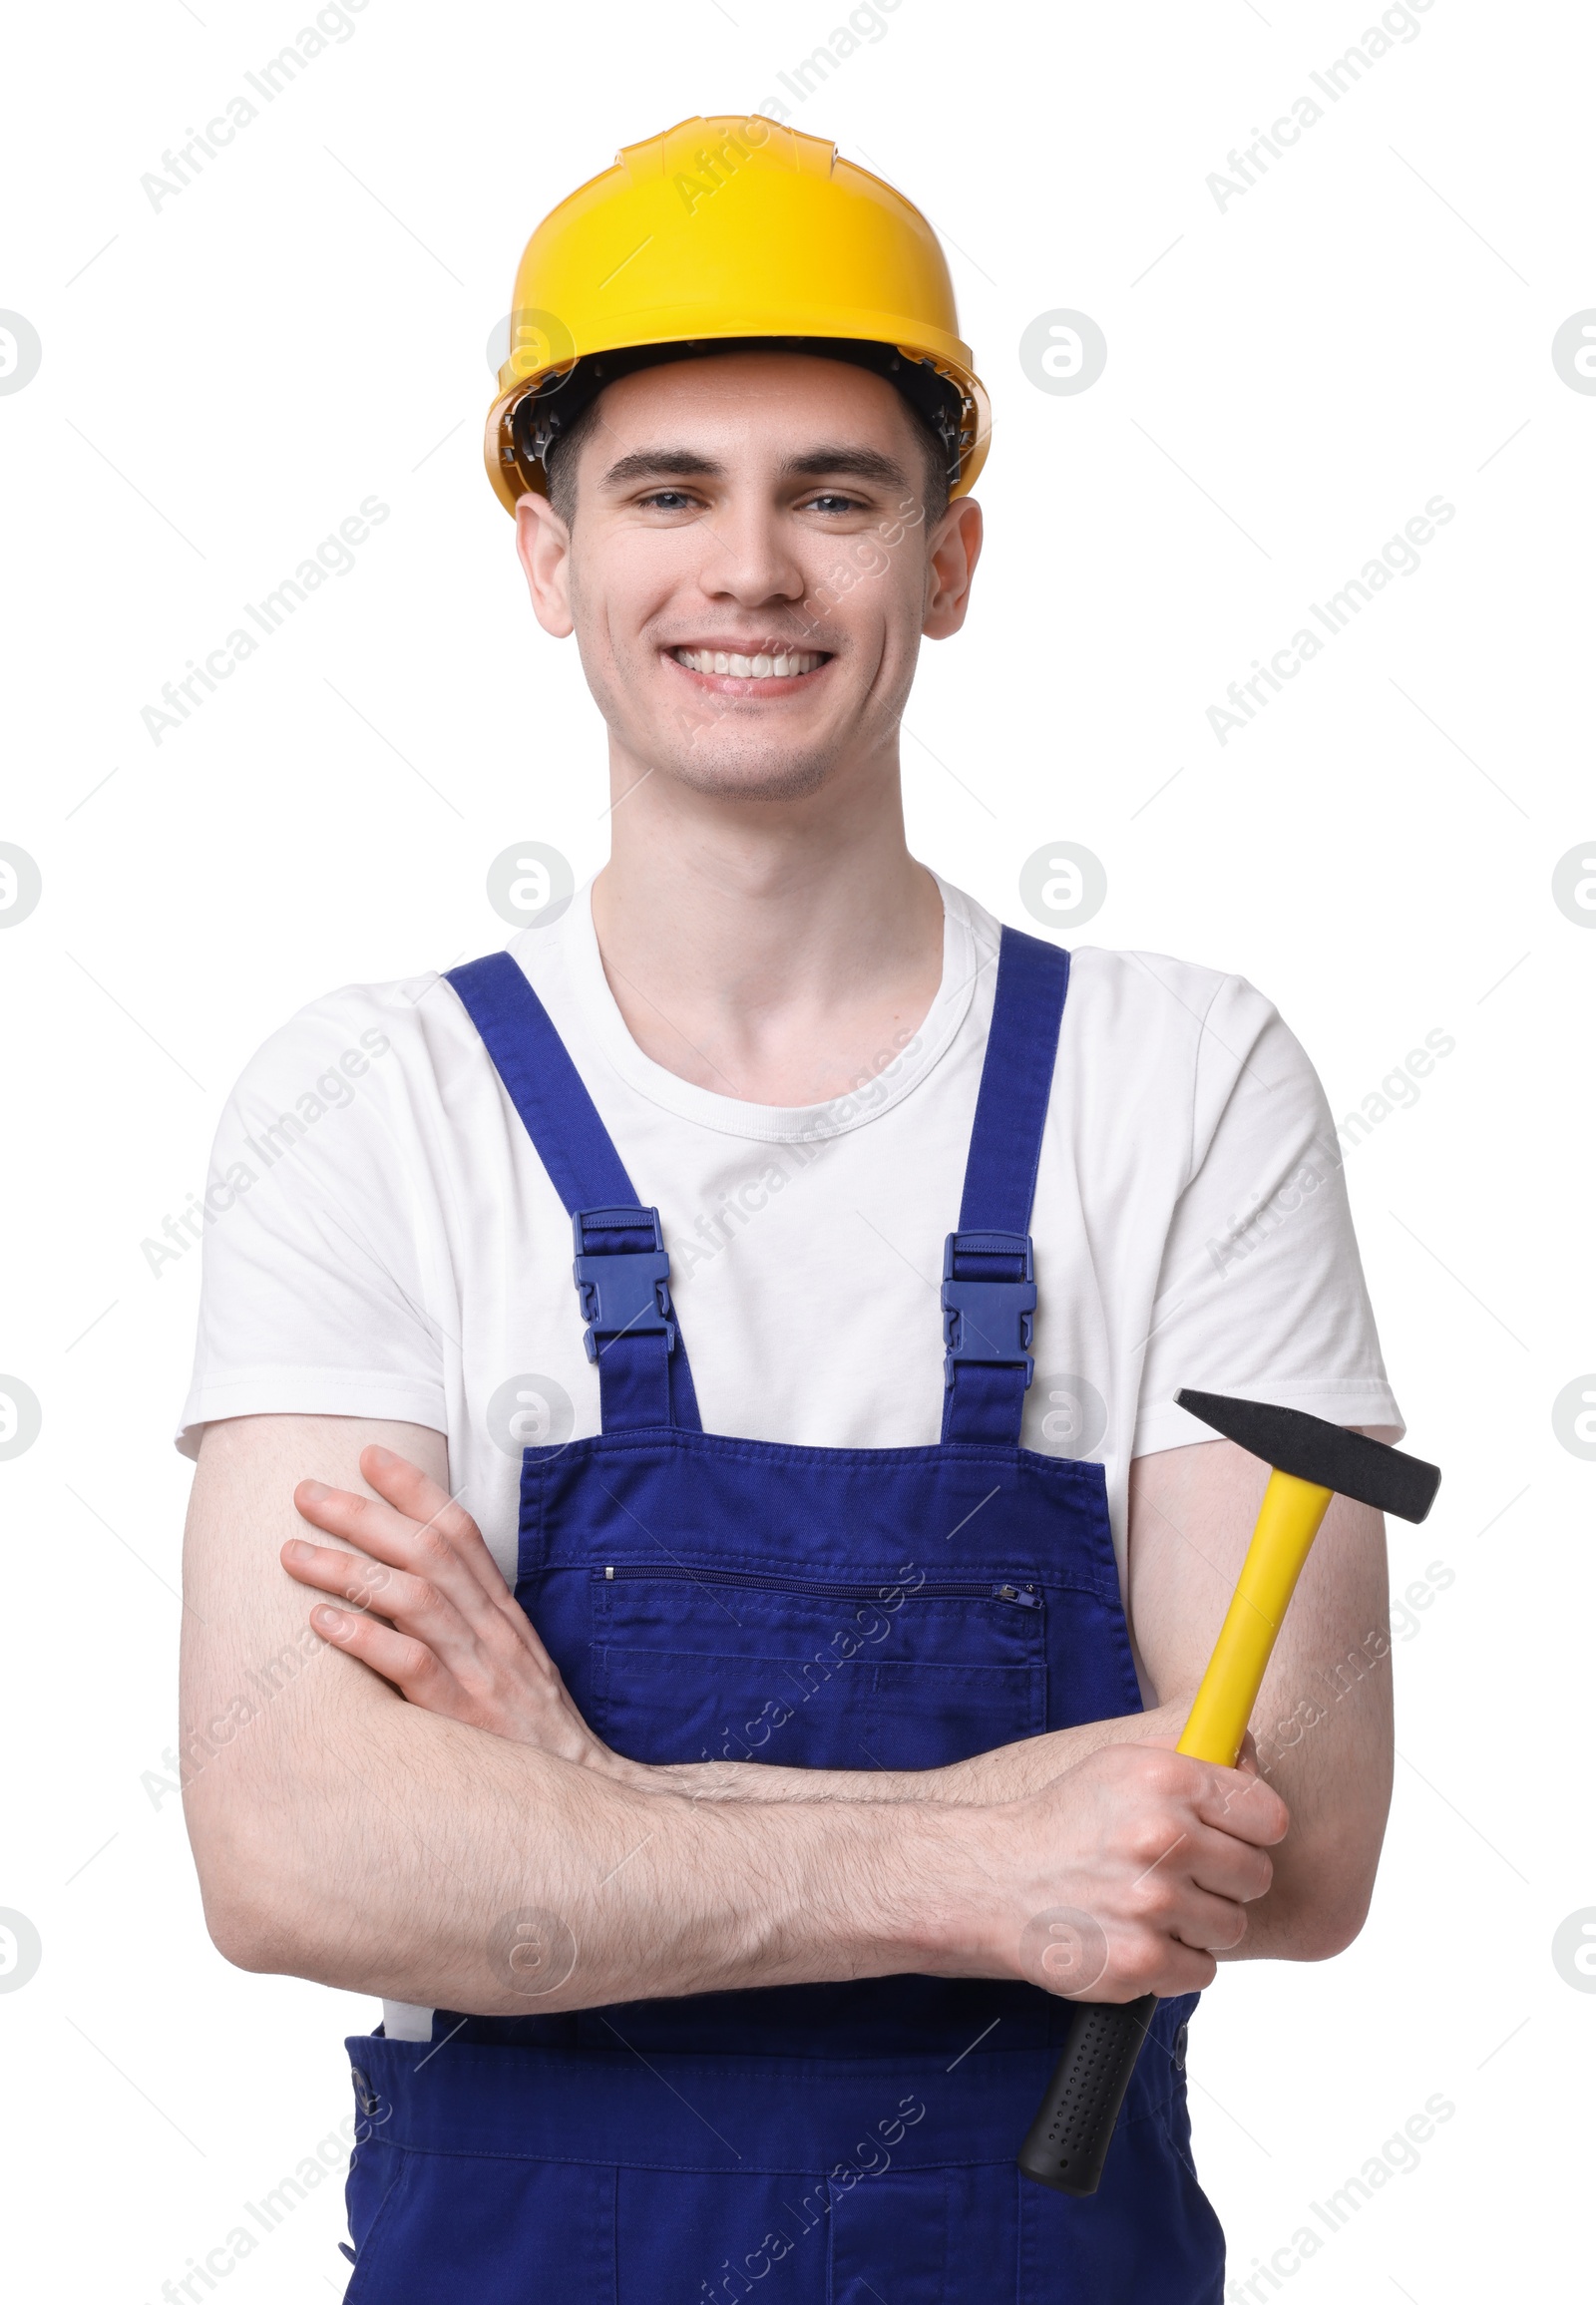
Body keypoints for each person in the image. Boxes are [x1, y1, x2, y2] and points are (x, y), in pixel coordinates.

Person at [178, 116, 1400, 2304]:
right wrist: (981, 1863)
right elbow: (288, 1852)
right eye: (666, 490)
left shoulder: (1179, 1083)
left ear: (944, 556)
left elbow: (1282, 1839)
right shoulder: (373, 1104)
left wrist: (574, 1797)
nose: (746, 567)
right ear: (544, 553)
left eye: (831, 493)